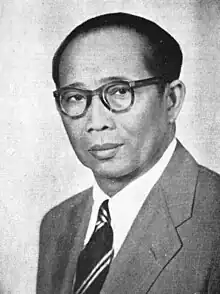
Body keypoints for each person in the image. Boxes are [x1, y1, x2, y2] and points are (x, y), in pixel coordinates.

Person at [36, 12, 220, 294]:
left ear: (171, 101)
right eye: (74, 97)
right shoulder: (56, 224)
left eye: (120, 92)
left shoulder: (214, 218)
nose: (97, 122)